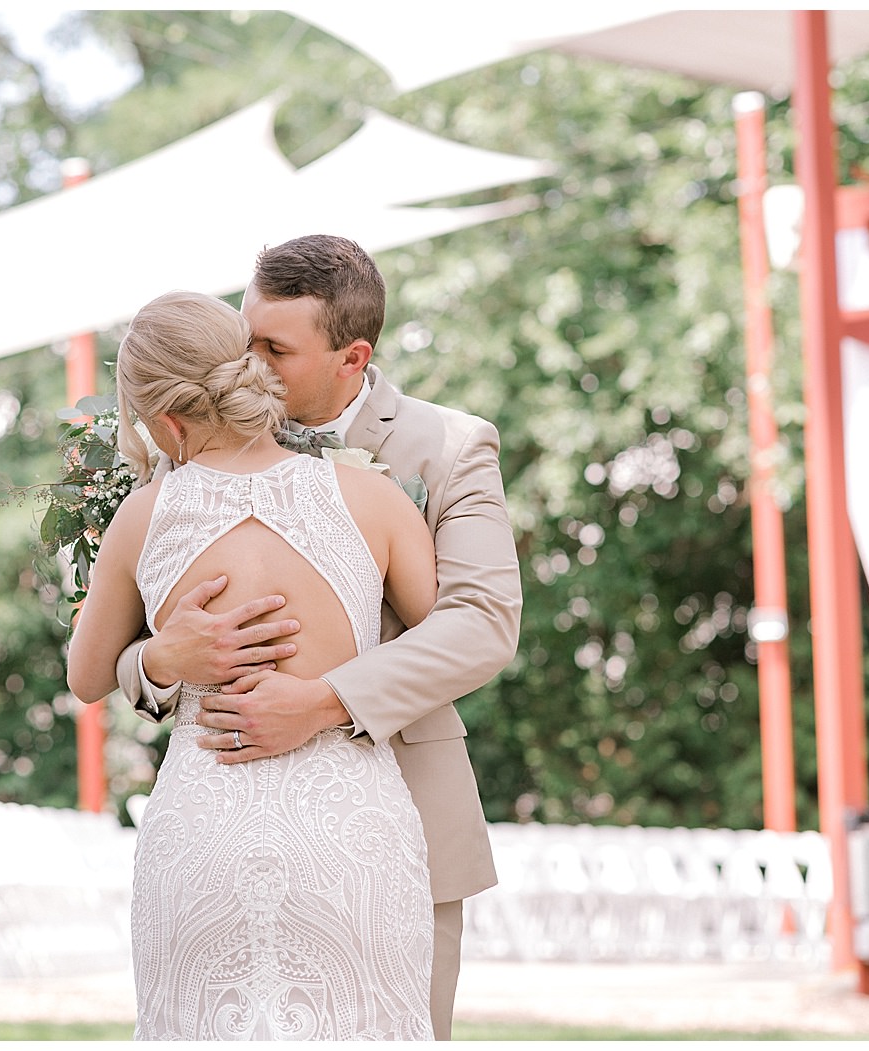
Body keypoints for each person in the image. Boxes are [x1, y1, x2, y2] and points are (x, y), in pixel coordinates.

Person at [111, 236, 524, 1039]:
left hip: (389, 821)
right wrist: (161, 660)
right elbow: (117, 638)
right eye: (243, 337)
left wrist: (325, 701)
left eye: (274, 348)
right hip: (216, 828)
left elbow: (480, 622)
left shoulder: (447, 448)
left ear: (352, 355)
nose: (248, 365)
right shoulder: (182, 448)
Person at [69, 290, 439, 1039]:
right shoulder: (372, 496)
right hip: (350, 832)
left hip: (204, 828)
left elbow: (86, 675)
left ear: (164, 420)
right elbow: (444, 640)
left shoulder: (144, 516)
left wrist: (159, 655)